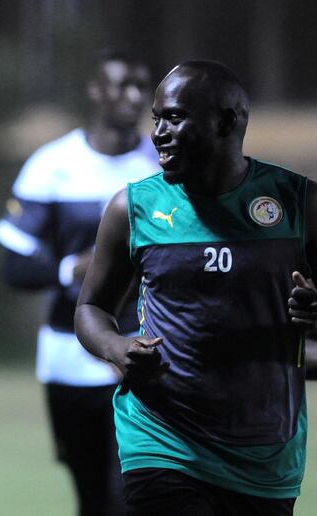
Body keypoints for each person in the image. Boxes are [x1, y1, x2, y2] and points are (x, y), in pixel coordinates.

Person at [75, 60, 316, 516]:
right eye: (157, 118)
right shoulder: (133, 208)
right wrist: (115, 347)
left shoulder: (298, 204)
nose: (159, 133)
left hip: (264, 451)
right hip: (162, 438)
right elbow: (91, 308)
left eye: (175, 118)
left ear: (227, 121)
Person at [0, 50, 154, 516]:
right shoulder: (53, 165)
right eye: (122, 85)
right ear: (95, 91)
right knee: (90, 497)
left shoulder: (162, 166)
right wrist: (69, 270)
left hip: (142, 354)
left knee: (131, 493)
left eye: (142, 88)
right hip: (69, 356)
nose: (133, 97)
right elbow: (14, 268)